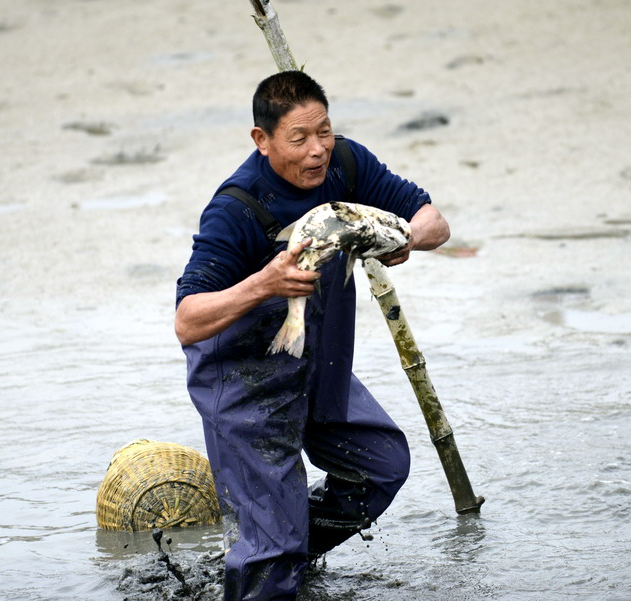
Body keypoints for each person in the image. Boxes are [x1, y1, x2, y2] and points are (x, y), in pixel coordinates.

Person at [174, 70, 450, 600]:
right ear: (263, 140)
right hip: (244, 387)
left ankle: (276, 554)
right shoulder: (236, 208)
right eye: (299, 138)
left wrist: (401, 236)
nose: (317, 150)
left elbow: (435, 220)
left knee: (382, 467)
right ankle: (266, 562)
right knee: (272, 556)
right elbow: (188, 319)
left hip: (320, 368)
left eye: (323, 131)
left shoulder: (347, 164)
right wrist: (263, 283)